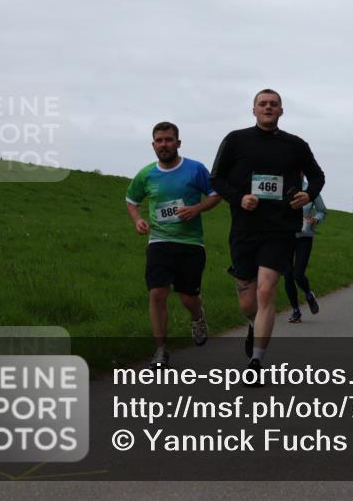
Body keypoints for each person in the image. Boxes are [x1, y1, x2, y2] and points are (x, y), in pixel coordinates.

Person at [211, 89, 325, 385]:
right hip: (245, 229)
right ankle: (253, 325)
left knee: (266, 292)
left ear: (281, 111)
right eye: (263, 104)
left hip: (280, 228)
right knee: (248, 303)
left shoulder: (296, 145)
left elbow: (317, 176)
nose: (268, 108)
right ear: (254, 110)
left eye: (273, 104)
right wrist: (239, 198)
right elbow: (216, 179)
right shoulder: (235, 140)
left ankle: (256, 362)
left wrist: (307, 194)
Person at [126, 121, 222, 368]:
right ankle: (160, 351)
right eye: (159, 141)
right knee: (157, 293)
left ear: (178, 143)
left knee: (188, 297)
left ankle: (198, 317)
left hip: (190, 243)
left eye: (169, 140)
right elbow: (131, 199)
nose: (164, 145)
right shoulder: (147, 174)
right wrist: (138, 220)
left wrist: (196, 208)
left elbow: (215, 194)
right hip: (159, 240)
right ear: (153, 145)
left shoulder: (195, 169)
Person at [284, 176, 327, 323]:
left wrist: (316, 219)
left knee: (298, 274)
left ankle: (309, 294)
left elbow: (322, 211)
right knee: (288, 275)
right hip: (287, 236)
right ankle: (296, 311)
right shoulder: (282, 186)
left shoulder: (310, 189)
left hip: (305, 237)